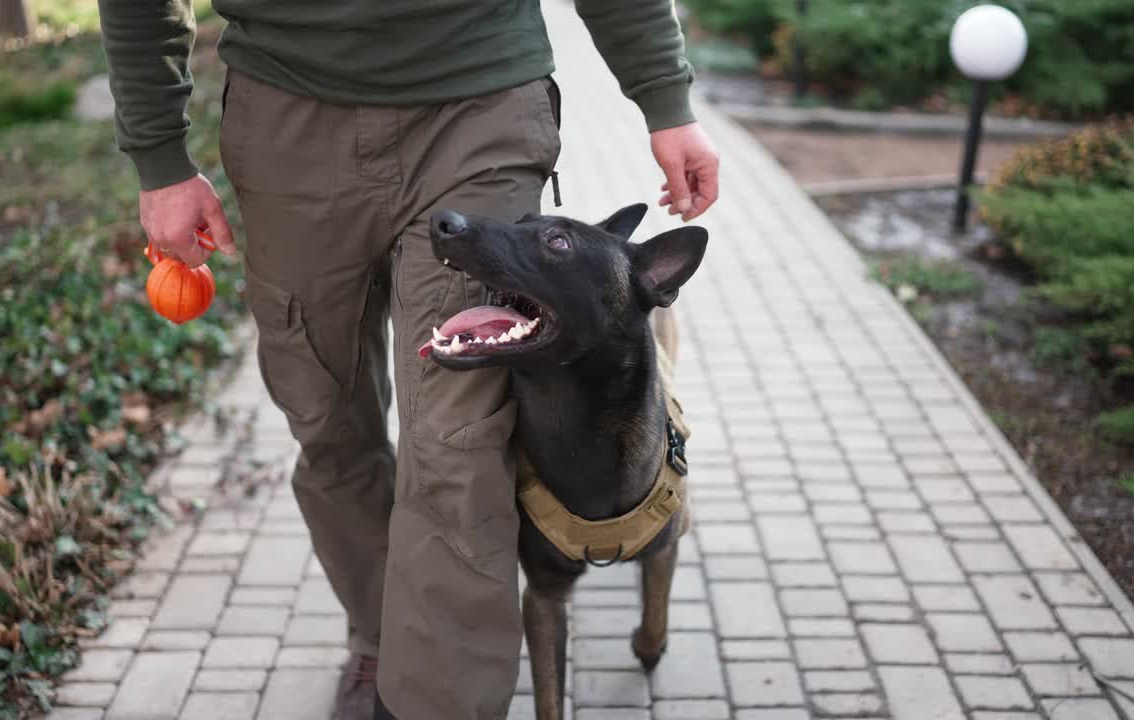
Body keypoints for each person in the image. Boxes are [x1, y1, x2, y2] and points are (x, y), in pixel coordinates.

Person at [95, 1, 719, 718]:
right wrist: (159, 158)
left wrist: (666, 98)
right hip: (286, 117)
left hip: (478, 103)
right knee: (327, 419)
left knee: (457, 439)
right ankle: (383, 639)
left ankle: (436, 701)